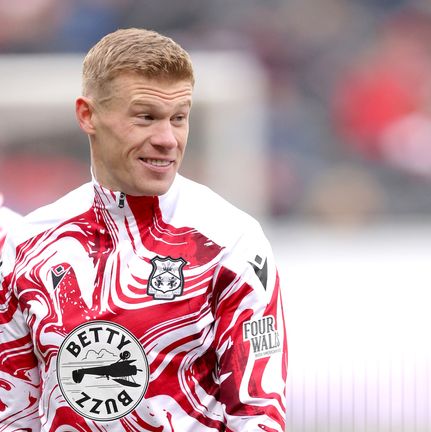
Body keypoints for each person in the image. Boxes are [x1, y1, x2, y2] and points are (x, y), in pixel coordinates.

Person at [0, 28, 287, 431]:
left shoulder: (231, 242)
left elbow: (258, 413)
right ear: (88, 115)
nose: (168, 139)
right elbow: (14, 415)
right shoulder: (27, 244)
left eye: (179, 118)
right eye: (146, 117)